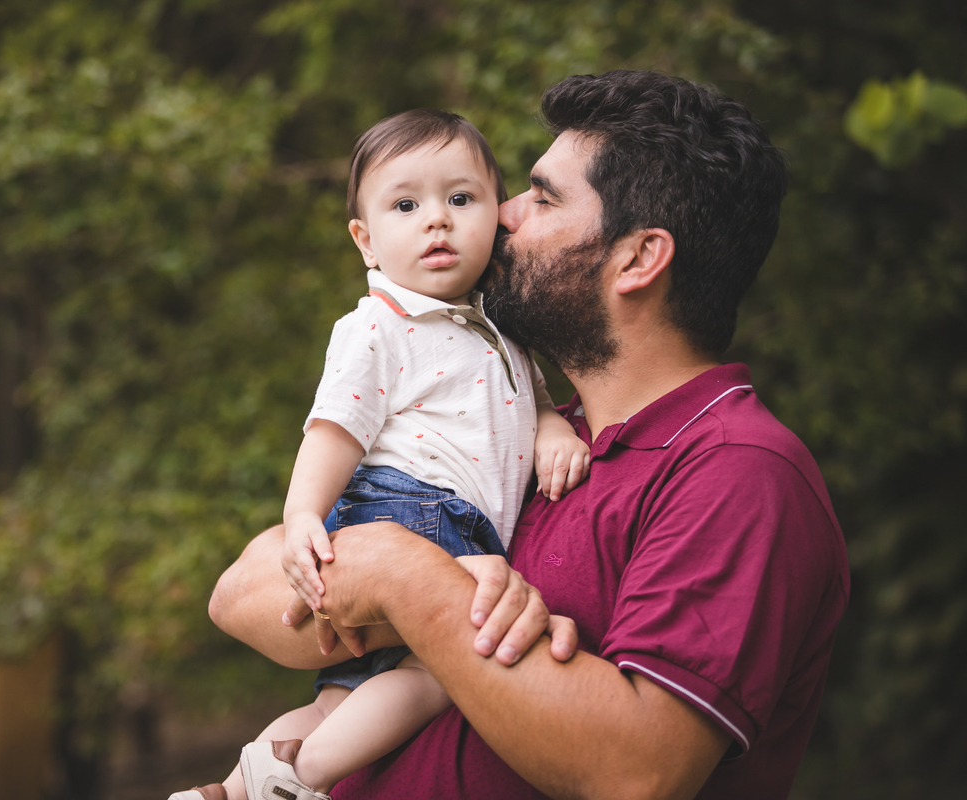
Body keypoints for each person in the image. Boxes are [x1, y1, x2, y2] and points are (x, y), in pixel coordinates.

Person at [207, 70, 850, 800]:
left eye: (542, 197)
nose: (502, 213)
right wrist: (421, 583)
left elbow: (637, 771)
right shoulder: (523, 434)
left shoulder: (735, 472)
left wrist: (404, 579)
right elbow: (240, 596)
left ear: (639, 259)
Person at [170, 110, 589, 800]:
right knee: (437, 680)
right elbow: (335, 427)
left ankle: (231, 790)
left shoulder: (500, 329)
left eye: (462, 199)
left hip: (440, 521)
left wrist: (552, 431)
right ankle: (297, 779)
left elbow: (531, 404)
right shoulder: (379, 325)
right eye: (406, 205)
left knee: (344, 699)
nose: (437, 221)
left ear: (497, 215)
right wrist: (303, 514)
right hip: (416, 513)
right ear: (366, 241)